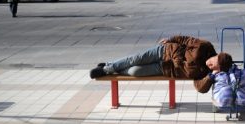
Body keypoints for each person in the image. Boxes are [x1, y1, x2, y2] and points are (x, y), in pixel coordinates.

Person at [90, 35, 233, 93]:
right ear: (217, 56)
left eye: (214, 68)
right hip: (164, 52)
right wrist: (170, 39)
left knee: (134, 71)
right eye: (213, 63)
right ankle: (107, 68)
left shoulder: (205, 73)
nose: (210, 66)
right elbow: (184, 39)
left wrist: (211, 76)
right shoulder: (205, 46)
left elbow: (200, 88)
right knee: (135, 59)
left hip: (164, 69)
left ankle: (113, 66)